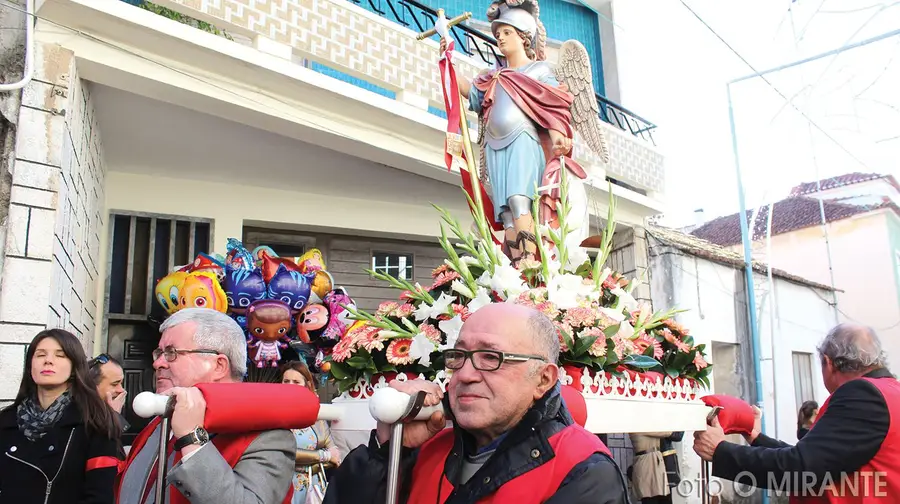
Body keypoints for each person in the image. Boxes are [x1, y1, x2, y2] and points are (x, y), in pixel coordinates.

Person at [324, 303, 628, 503]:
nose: (465, 375)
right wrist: (388, 452)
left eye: (491, 358)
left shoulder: (583, 470)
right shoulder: (425, 451)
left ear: (543, 380)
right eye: (459, 356)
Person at [693, 323, 900, 500]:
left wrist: (721, 451)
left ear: (828, 362)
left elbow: (803, 468)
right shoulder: (890, 391)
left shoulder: (861, 394)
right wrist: (757, 438)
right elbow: (821, 457)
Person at [115, 308, 295, 504]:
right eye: (159, 352)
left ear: (218, 365)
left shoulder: (268, 437)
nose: (158, 363)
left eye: (171, 353)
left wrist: (192, 439)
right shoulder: (158, 422)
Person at [438, 2, 574, 264]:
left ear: (524, 37)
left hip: (523, 141)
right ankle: (516, 270)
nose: (500, 38)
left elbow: (555, 106)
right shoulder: (493, 76)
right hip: (494, 147)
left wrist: (558, 136)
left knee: (519, 200)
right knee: (507, 213)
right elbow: (471, 92)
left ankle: (533, 269)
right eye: (498, 34)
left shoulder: (539, 72)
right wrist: (448, 62)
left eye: (507, 32)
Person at [0, 329, 121, 504]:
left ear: (74, 365)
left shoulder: (95, 422)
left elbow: (99, 495)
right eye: (40, 355)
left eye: (60, 355)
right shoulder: (6, 421)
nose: (48, 361)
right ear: (30, 366)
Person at [279, 361, 341, 504]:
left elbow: (334, 455)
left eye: (296, 382)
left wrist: (319, 460)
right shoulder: (277, 417)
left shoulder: (316, 416)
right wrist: (324, 456)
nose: (290, 386)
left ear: (307, 385)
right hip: (286, 485)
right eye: (286, 381)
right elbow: (286, 452)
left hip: (315, 486)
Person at [628, 432, 674, 504]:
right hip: (647, 463)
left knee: (664, 497)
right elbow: (667, 432)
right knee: (650, 497)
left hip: (654, 463)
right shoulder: (641, 425)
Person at [90, 353, 131, 433]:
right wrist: (114, 416)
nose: (121, 390)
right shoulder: (78, 416)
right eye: (115, 384)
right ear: (92, 385)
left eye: (121, 383)